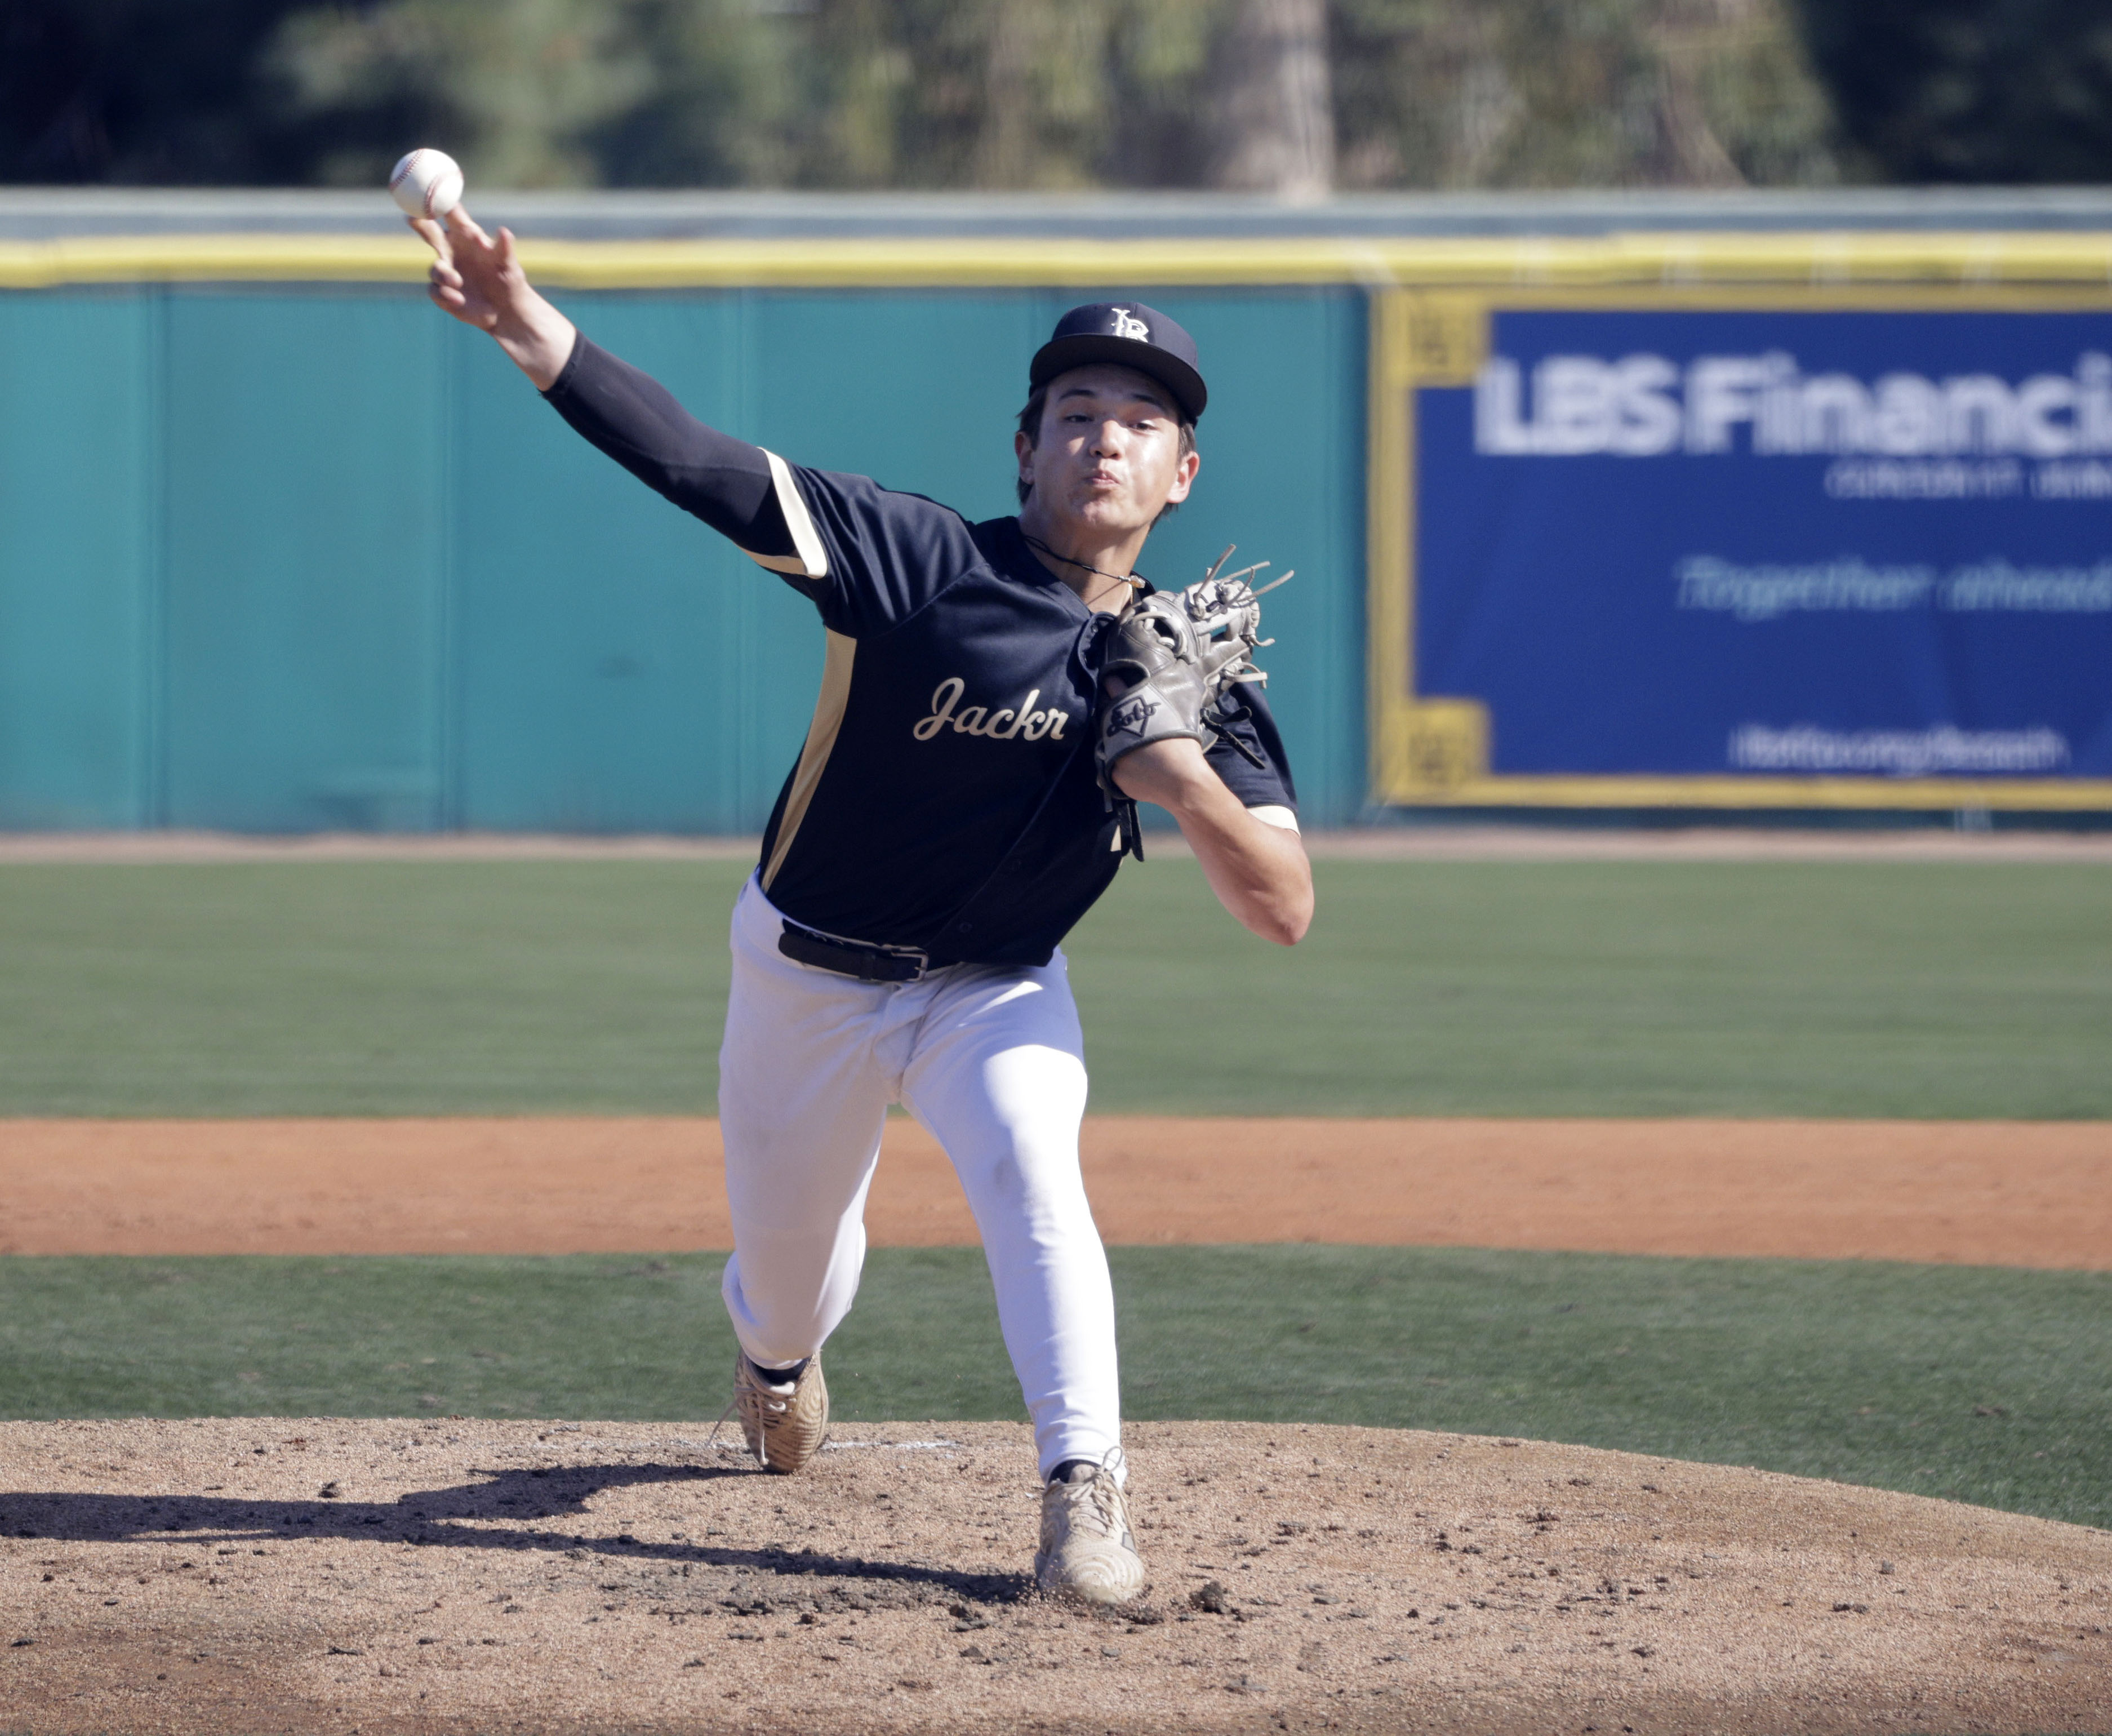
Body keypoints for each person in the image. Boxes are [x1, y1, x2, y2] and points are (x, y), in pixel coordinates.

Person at [411, 205, 1313, 1605]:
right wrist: (533, 327)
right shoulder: (915, 560)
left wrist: (1176, 764)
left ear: (1181, 473)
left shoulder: (1192, 676)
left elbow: (1284, 908)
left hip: (997, 984)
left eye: (1141, 420)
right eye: (1076, 410)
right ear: (1026, 449)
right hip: (806, 976)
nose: (1106, 436)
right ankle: (775, 1363)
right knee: (787, 1275)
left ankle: (1087, 1498)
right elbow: (696, 463)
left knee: (1035, 1171)